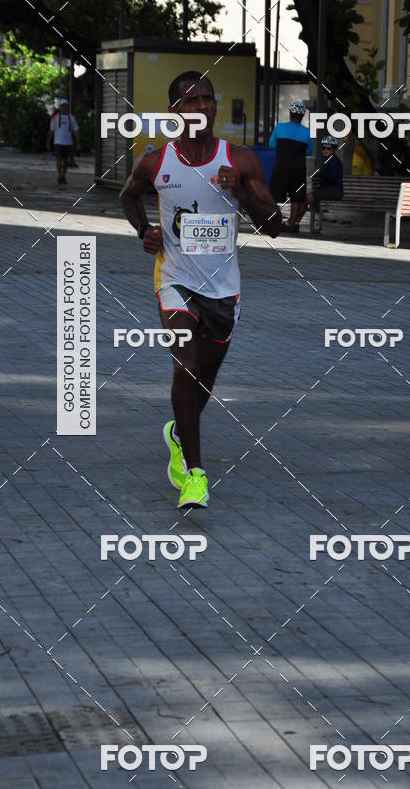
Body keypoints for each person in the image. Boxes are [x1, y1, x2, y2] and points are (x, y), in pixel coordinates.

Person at [120, 71, 282, 509]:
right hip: (173, 279)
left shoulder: (240, 160)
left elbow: (275, 227)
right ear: (175, 111)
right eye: (191, 101)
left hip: (223, 288)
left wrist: (242, 194)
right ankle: (195, 474)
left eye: (207, 99)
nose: (202, 108)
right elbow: (128, 196)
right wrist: (145, 231)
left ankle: (177, 432)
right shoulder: (157, 162)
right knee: (186, 366)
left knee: (204, 379)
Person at [268, 100, 313, 232]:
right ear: (302, 116)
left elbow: (272, 145)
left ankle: (274, 221)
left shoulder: (279, 128)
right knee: (297, 198)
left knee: (274, 196)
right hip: (298, 170)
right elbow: (309, 151)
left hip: (281, 168)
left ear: (290, 114)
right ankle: (291, 224)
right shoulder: (307, 133)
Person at [47, 99, 80, 187]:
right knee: (58, 159)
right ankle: (59, 175)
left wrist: (78, 142)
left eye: (66, 106)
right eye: (62, 106)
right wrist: (48, 142)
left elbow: (75, 130)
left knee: (65, 161)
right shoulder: (55, 117)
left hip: (68, 142)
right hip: (58, 142)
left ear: (68, 107)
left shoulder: (71, 118)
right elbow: (51, 130)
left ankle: (63, 176)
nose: (64, 108)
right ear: (60, 107)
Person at [307, 135, 344, 205]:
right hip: (328, 190)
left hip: (333, 191)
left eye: (329, 148)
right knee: (304, 198)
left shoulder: (334, 161)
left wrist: (320, 172)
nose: (325, 150)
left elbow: (332, 177)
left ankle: (296, 216)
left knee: (306, 198)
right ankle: (297, 216)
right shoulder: (328, 160)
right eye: (324, 148)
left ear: (334, 150)